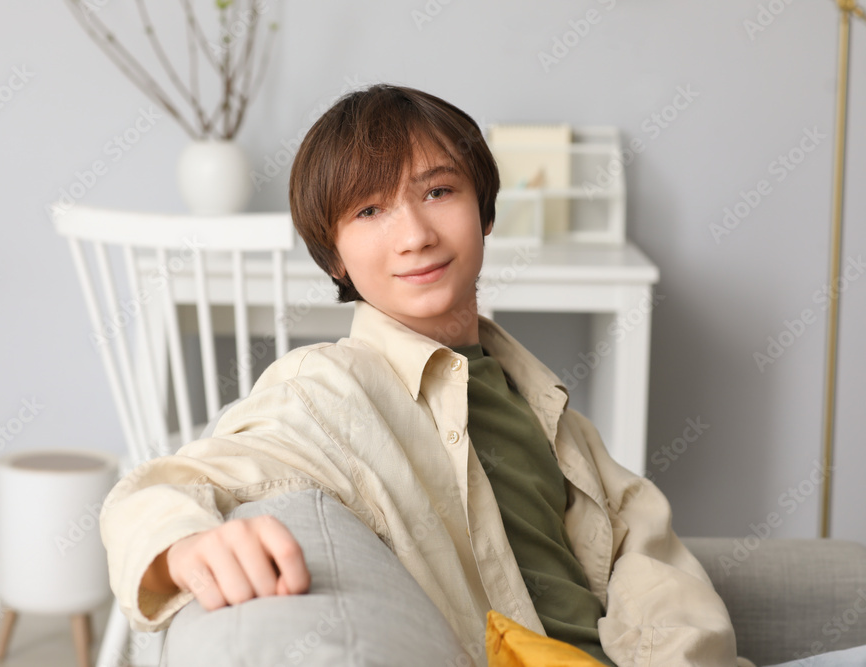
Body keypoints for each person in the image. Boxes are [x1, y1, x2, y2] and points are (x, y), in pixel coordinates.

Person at [101, 84, 747, 666]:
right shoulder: (328, 388)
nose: (414, 234)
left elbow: (646, 543)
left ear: (484, 212)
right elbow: (154, 491)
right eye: (369, 211)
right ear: (335, 259)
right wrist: (180, 547)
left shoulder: (539, 395)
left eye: (438, 191)